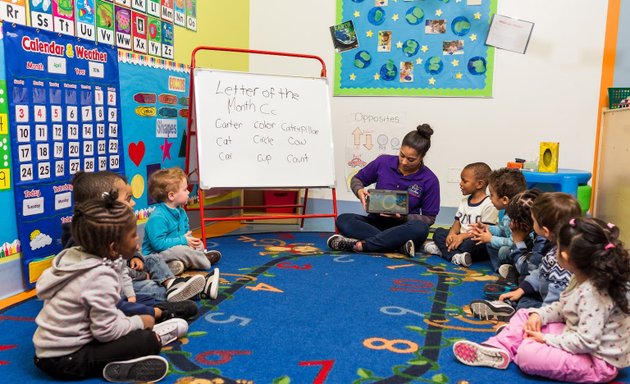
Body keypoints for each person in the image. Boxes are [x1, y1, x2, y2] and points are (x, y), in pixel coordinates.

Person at [453, 217, 630, 383]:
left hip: (596, 362)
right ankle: (497, 348)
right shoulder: (581, 277)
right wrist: (539, 315)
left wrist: (545, 339)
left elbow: (586, 342)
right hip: (575, 333)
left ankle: (516, 343)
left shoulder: (594, 294)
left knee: (526, 354)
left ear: (566, 257)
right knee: (525, 315)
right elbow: (563, 307)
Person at [33, 196, 188, 382]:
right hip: (66, 360)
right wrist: (139, 322)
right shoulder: (99, 276)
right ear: (114, 248)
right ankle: (113, 365)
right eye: (133, 235)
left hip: (50, 352)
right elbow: (105, 332)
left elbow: (104, 313)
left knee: (132, 323)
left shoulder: (78, 256)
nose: (138, 238)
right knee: (148, 341)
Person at [64, 171, 206, 311]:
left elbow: (128, 255)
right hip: (117, 283)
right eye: (128, 198)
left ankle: (172, 284)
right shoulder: (88, 238)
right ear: (105, 203)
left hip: (130, 272)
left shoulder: (116, 226)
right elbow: (117, 274)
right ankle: (178, 292)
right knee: (146, 288)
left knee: (153, 259)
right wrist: (143, 275)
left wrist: (135, 256)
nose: (133, 202)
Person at [327, 124, 440, 257]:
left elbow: (429, 218)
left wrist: (404, 217)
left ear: (422, 157)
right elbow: (356, 179)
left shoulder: (430, 180)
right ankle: (398, 246)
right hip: (375, 223)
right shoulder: (383, 162)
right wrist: (359, 191)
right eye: (401, 155)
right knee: (343, 219)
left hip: (404, 228)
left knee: (420, 229)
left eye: (411, 160)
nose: (403, 162)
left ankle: (361, 245)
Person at [143, 167, 221, 299]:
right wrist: (184, 241)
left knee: (198, 245)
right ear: (171, 195)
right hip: (154, 256)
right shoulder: (158, 217)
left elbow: (185, 233)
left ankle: (177, 265)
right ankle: (204, 259)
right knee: (182, 251)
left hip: (174, 249)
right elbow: (158, 244)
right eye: (185, 189)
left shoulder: (181, 211)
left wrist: (190, 241)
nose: (189, 191)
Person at [496, 192, 582, 310]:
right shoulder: (555, 248)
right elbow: (540, 271)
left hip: (557, 307)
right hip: (548, 295)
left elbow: (555, 301)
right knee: (523, 293)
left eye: (534, 220)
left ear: (546, 231)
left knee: (525, 305)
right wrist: (522, 289)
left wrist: (539, 317)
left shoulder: (561, 261)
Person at [469, 189, 543, 321]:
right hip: (537, 278)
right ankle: (510, 291)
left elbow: (528, 269)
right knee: (513, 272)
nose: (510, 224)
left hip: (544, 291)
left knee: (527, 301)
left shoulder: (543, 240)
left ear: (526, 224)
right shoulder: (540, 233)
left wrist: (518, 241)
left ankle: (510, 305)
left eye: (513, 221)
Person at [422, 162, 498, 267]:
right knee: (439, 232)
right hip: (460, 237)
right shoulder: (464, 201)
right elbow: (457, 222)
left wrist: (462, 236)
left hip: (475, 239)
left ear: (479, 184)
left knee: (470, 244)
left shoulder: (490, 204)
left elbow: (485, 231)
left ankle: (442, 251)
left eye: (464, 181)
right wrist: (452, 234)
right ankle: (455, 255)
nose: (460, 183)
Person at [470, 168, 527, 271]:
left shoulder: (517, 216)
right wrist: (487, 228)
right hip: (513, 245)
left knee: (503, 250)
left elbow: (513, 241)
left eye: (492, 195)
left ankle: (512, 269)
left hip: (524, 249)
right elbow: (502, 230)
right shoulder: (507, 212)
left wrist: (491, 238)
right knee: (490, 244)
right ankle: (499, 268)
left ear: (505, 200)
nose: (489, 198)